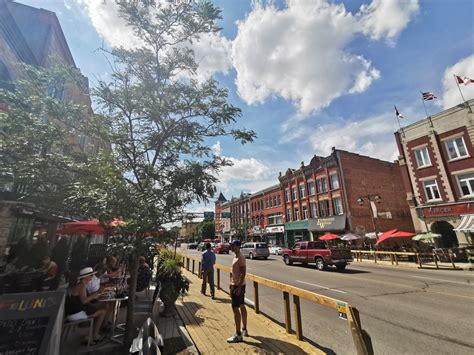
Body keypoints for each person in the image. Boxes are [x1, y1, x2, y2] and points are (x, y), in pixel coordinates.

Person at [66, 267, 107, 344]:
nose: (92, 277)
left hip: (75, 311)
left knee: (100, 308)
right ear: (85, 277)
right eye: (91, 275)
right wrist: (96, 293)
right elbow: (84, 301)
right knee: (102, 312)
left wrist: (97, 292)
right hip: (75, 314)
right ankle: (95, 335)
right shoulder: (82, 286)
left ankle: (93, 334)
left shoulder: (81, 285)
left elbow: (85, 297)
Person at [226, 240, 248, 343]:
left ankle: (238, 334)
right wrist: (231, 283)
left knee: (235, 308)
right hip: (235, 284)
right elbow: (233, 272)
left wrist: (238, 287)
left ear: (238, 247)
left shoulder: (240, 258)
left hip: (238, 286)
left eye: (233, 245)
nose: (231, 247)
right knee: (242, 306)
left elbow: (243, 274)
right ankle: (244, 329)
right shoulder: (235, 257)